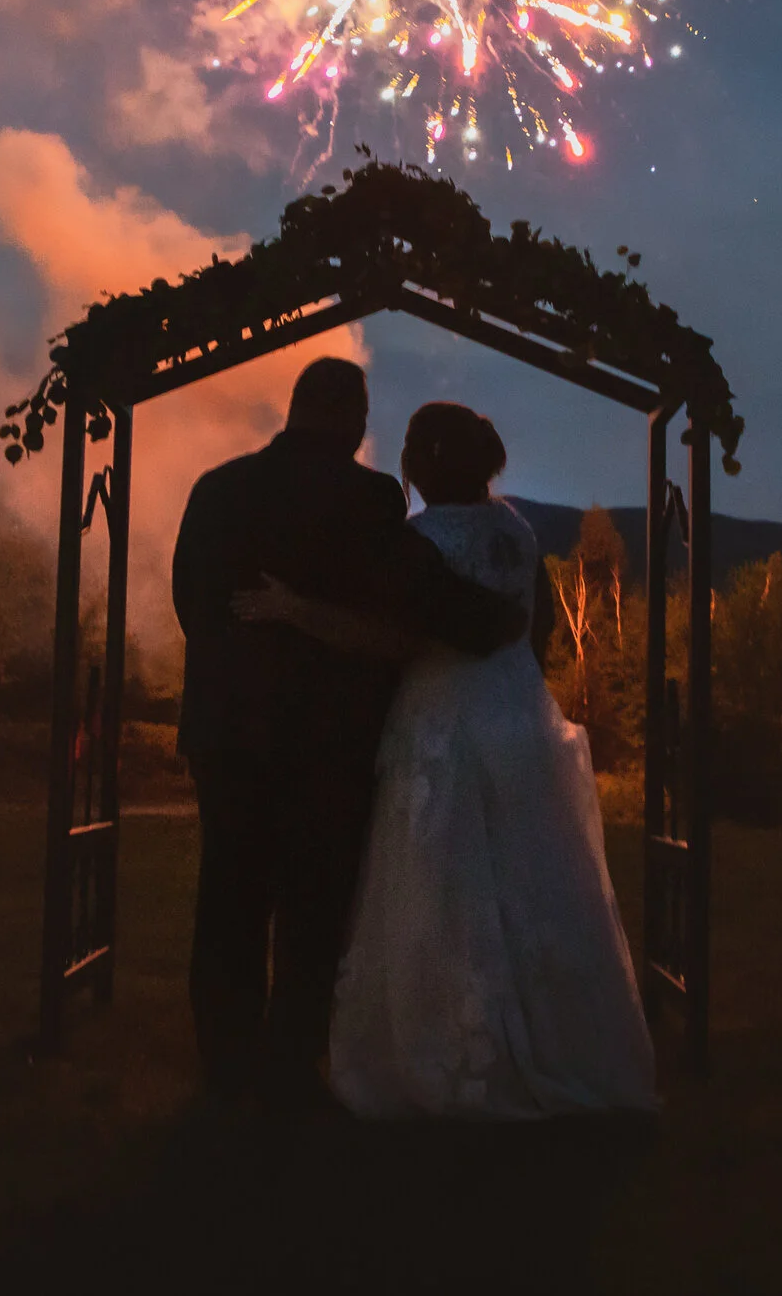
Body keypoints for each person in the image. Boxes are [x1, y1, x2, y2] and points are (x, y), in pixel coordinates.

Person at [235, 401, 658, 1118]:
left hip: (442, 717)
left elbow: (392, 639)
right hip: (518, 714)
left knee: (438, 880)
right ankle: (557, 1040)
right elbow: (534, 632)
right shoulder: (519, 534)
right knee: (530, 878)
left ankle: (447, 1045)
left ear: (422, 463)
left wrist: (296, 611)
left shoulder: (418, 540)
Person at [172, 360, 527, 1111]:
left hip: (226, 734)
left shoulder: (215, 490)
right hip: (323, 744)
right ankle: (291, 1067)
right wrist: (500, 620)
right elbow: (413, 600)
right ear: (357, 419)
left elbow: (188, 604)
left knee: (228, 897)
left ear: (294, 406)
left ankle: (226, 1067)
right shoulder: (370, 500)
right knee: (311, 908)